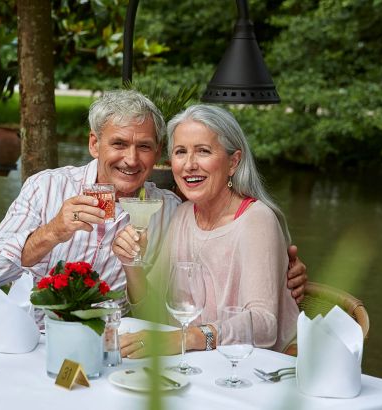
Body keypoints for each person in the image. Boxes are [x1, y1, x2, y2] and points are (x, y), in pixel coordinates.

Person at [0, 90, 307, 324]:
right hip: (27, 341)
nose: (131, 160)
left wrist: (279, 270)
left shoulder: (167, 210)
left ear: (158, 154)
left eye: (144, 147)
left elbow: (163, 302)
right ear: (95, 144)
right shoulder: (46, 187)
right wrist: (52, 232)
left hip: (109, 351)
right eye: (119, 144)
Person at [113, 104, 299, 358]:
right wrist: (132, 264)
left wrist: (186, 338)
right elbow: (151, 312)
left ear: (233, 162)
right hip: (198, 365)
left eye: (203, 151)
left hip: (251, 372)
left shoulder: (256, 219)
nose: (189, 164)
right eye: (180, 152)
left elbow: (264, 325)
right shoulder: (183, 215)